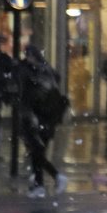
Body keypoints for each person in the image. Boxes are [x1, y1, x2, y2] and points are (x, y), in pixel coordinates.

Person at [18, 47, 68, 197]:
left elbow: (33, 98)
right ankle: (41, 183)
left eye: (30, 56)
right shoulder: (43, 72)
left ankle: (50, 180)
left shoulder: (38, 75)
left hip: (42, 120)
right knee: (37, 153)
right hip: (42, 120)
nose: (28, 59)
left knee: (37, 153)